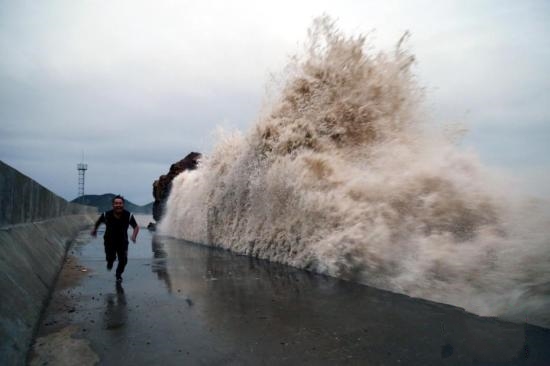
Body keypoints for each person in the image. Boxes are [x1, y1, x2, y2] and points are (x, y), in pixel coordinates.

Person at [91, 195, 139, 282]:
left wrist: (134, 236)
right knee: (110, 257)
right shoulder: (106, 214)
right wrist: (95, 230)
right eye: (116, 203)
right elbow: (98, 222)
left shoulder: (128, 215)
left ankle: (118, 274)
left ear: (123, 204)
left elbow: (136, 227)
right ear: (113, 205)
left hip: (123, 242)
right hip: (109, 241)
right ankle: (110, 262)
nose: (118, 205)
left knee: (123, 260)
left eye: (120, 203)